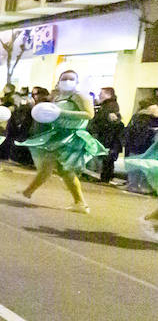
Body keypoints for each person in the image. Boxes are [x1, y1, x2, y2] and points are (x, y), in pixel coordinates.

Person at [20, 69, 106, 214]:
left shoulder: (79, 96)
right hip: (57, 134)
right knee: (54, 167)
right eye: (64, 78)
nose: (67, 81)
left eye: (71, 79)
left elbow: (89, 114)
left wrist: (61, 112)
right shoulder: (58, 96)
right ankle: (29, 191)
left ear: (76, 82)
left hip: (71, 137)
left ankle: (80, 203)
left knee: (63, 169)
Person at [88, 86, 124, 182]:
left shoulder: (110, 107)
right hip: (109, 138)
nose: (99, 95)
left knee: (107, 159)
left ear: (108, 95)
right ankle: (105, 177)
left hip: (107, 138)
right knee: (107, 160)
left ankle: (106, 178)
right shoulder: (108, 106)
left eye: (102, 93)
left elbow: (107, 123)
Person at [123, 100, 158, 194]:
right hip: (142, 146)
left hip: (142, 147)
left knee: (140, 168)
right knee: (138, 168)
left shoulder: (138, 117)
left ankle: (136, 185)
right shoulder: (140, 118)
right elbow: (133, 132)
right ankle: (137, 186)